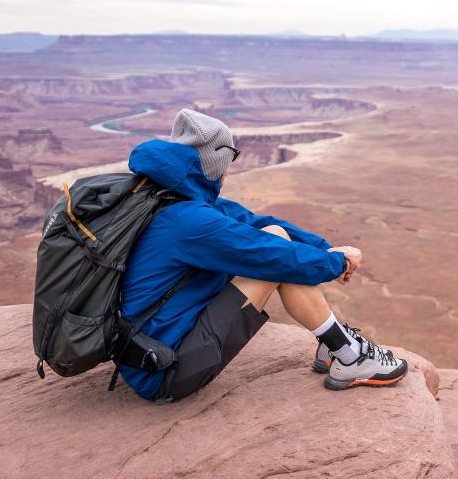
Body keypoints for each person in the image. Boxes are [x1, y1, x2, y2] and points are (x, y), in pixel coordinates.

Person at [115, 108, 407, 402]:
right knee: (277, 260)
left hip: (146, 352)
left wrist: (327, 248)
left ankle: (337, 346)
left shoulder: (164, 196)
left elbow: (255, 223)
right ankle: (349, 356)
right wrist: (337, 263)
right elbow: (275, 256)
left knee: (276, 241)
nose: (229, 169)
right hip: (164, 370)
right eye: (230, 159)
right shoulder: (189, 221)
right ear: (215, 163)